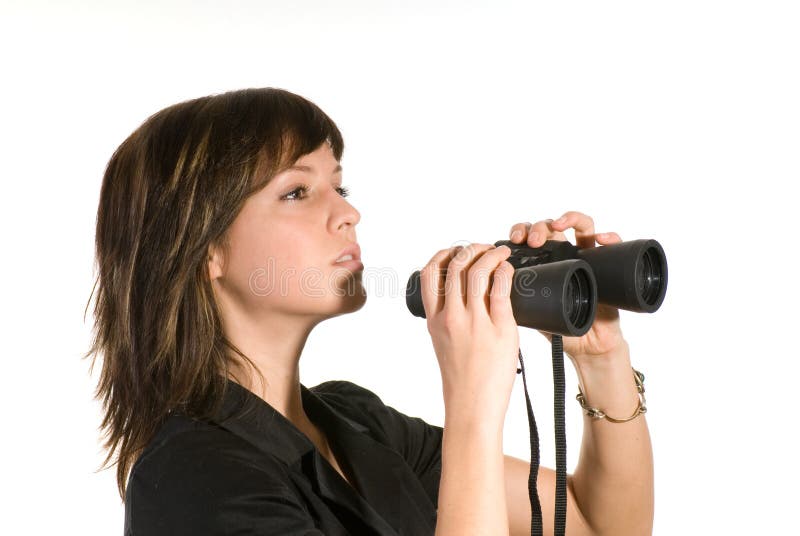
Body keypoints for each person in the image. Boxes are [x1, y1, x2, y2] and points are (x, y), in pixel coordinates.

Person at [85, 87, 654, 535]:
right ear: (205, 247)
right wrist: (474, 407)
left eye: (341, 187)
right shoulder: (192, 476)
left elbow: (599, 526)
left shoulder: (357, 424)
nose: (348, 213)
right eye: (296, 192)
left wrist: (600, 357)